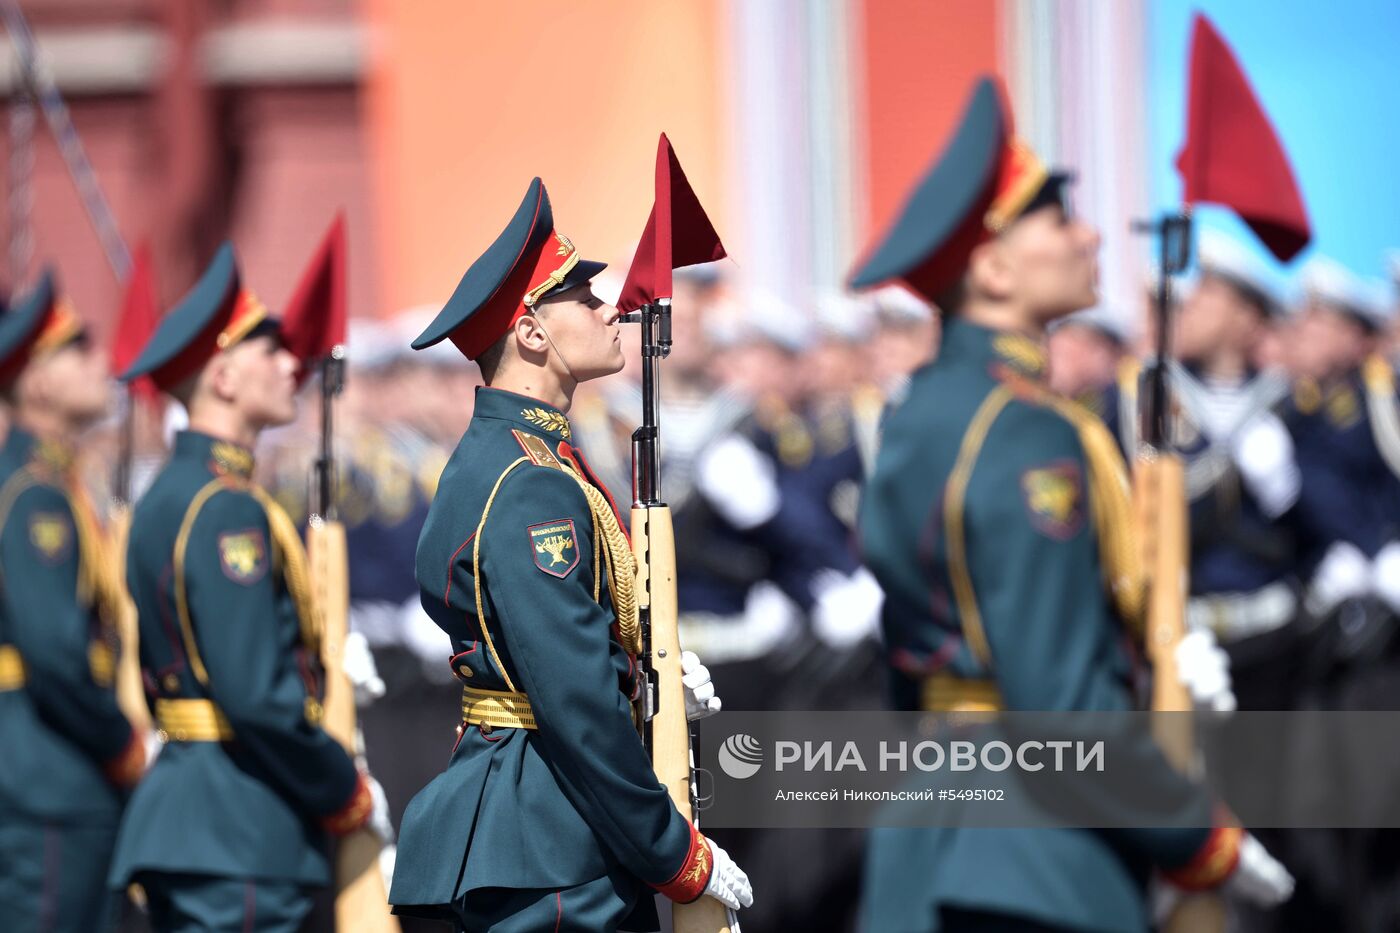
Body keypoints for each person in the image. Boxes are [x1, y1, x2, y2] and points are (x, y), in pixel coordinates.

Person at [851, 77, 1293, 932]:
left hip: (937, 832)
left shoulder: (920, 409)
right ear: (993, 267)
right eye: (1060, 221)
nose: (1092, 235)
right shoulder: (1026, 433)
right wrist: (1198, 836)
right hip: (1037, 855)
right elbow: (1054, 701)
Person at [388, 177, 750, 931]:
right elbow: (573, 699)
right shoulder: (530, 482)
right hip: (550, 849)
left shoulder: (519, 455)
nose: (609, 306)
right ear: (531, 333)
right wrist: (678, 855)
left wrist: (636, 655)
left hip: (532, 829)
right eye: (582, 299)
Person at [107, 243, 390, 931]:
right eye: (271, 351)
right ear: (225, 377)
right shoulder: (227, 506)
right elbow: (252, 692)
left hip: (203, 814)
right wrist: (341, 786)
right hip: (240, 822)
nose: (293, 364)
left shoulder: (173, 493)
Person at [0, 271, 146, 931]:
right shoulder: (36, 496)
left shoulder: (51, 479)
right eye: (77, 348)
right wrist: (121, 742)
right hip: (50, 774)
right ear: (37, 382)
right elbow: (55, 650)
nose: (101, 362)